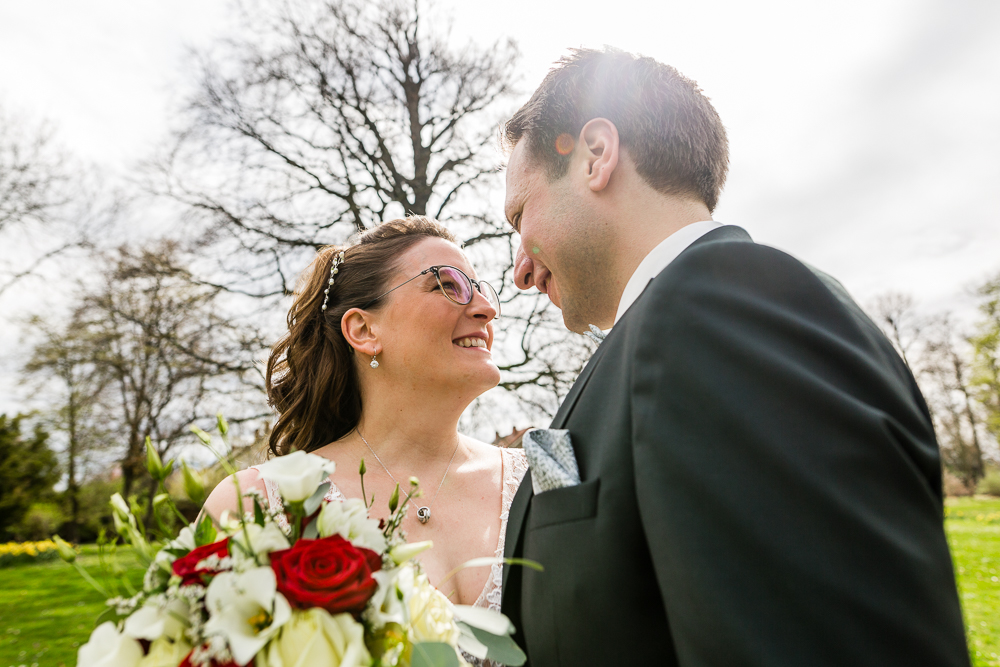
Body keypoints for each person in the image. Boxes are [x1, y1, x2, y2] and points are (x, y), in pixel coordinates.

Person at [499, 48, 971, 666]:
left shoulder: (723, 309)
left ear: (596, 154)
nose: (520, 271)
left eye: (519, 214)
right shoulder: (664, 332)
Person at [203, 217, 527, 619]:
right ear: (363, 330)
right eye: (448, 285)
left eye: (480, 290)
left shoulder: (535, 484)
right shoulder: (259, 505)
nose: (487, 309)